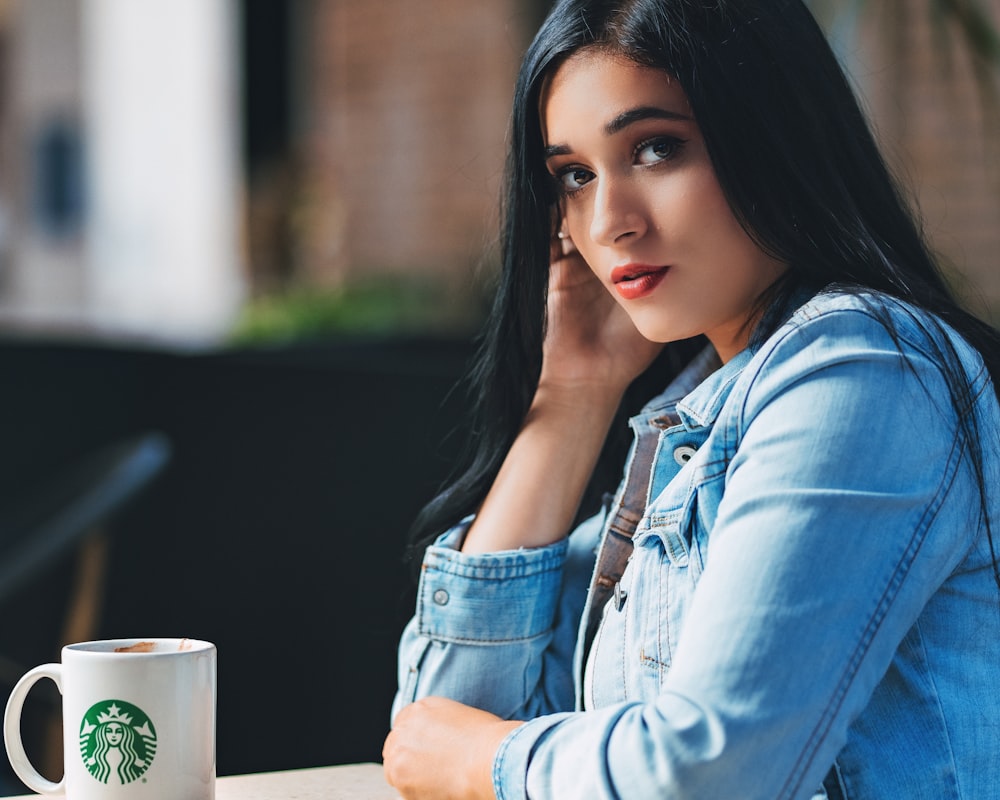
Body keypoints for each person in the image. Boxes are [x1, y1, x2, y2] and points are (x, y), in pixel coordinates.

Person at [381, 0, 1000, 797]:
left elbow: (710, 771)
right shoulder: (694, 418)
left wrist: (487, 762)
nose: (609, 223)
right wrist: (572, 396)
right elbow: (433, 730)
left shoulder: (863, 370)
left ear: (774, 135)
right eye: (574, 175)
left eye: (656, 149)